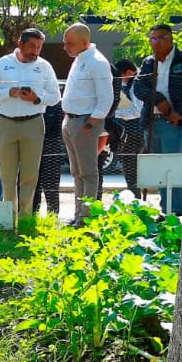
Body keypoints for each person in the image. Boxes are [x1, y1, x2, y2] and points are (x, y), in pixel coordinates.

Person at [0, 28, 62, 220]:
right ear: (20, 44)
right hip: (6, 123)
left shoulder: (44, 66)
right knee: (7, 176)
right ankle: (8, 219)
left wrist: (37, 98)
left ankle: (26, 218)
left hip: (33, 123)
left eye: (39, 47)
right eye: (32, 46)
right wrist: (7, 92)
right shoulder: (3, 63)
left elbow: (55, 97)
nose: (36, 51)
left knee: (30, 175)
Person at [133, 24, 182, 216]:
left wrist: (179, 113)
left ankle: (178, 211)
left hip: (174, 122)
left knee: (172, 167)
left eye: (160, 38)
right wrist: (159, 100)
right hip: (151, 121)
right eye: (152, 39)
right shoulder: (148, 62)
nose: (156, 42)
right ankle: (166, 210)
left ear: (170, 39)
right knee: (160, 168)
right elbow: (139, 88)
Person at [60, 23, 115, 220]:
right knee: (76, 172)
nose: (65, 47)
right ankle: (78, 216)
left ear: (84, 42)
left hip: (84, 122)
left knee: (88, 173)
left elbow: (106, 98)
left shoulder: (97, 61)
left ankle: (87, 218)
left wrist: (90, 124)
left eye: (69, 44)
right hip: (71, 121)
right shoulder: (80, 58)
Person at [108, 59, 143, 195]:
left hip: (135, 131)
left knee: (132, 166)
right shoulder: (127, 84)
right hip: (126, 131)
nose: (120, 80)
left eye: (120, 76)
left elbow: (136, 111)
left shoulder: (137, 84)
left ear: (129, 72)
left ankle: (136, 196)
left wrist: (113, 112)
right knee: (128, 166)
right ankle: (134, 194)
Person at [32, 102, 66, 216]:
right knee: (33, 184)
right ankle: (32, 215)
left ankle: (52, 216)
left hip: (51, 149)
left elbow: (54, 126)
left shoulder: (55, 104)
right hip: (33, 146)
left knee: (51, 186)